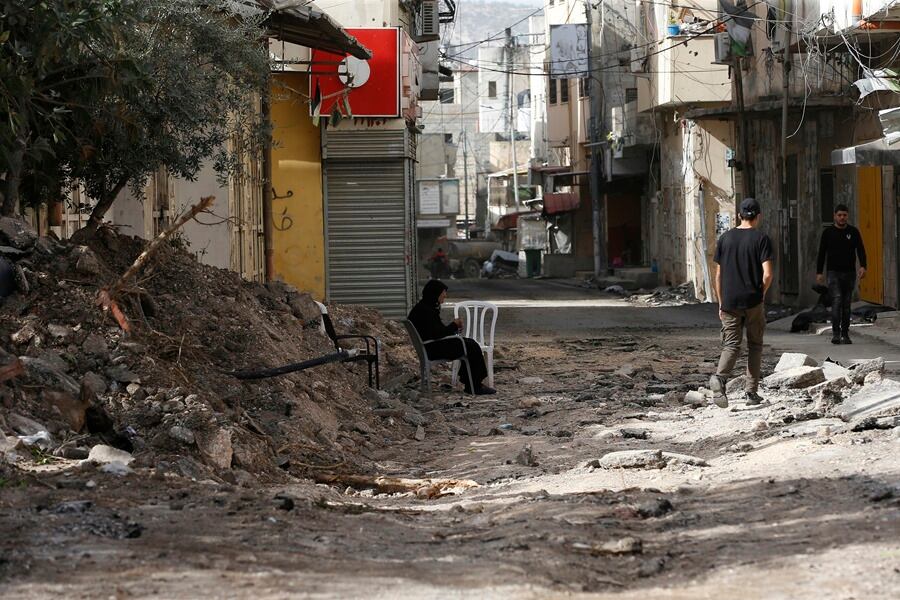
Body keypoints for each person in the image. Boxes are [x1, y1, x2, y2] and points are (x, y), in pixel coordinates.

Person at [709, 198, 775, 408]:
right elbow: (768, 274)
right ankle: (750, 393)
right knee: (755, 345)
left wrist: (721, 302)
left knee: (731, 344)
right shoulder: (761, 239)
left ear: (739, 215)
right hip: (752, 300)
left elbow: (718, 275)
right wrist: (761, 293)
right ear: (758, 217)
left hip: (729, 301)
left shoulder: (725, 238)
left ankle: (720, 378)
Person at [407, 280, 496, 395]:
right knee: (471, 346)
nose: (445, 295)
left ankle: (472, 383)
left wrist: (453, 328)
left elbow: (436, 331)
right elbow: (437, 334)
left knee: (469, 343)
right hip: (434, 349)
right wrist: (454, 325)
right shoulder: (425, 311)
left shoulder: (424, 307)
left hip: (430, 346)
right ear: (435, 293)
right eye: (443, 292)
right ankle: (475, 385)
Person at [815, 204, 867, 345]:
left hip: (849, 273)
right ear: (835, 216)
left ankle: (845, 334)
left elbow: (860, 249)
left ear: (847, 216)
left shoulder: (853, 232)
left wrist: (863, 266)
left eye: (844, 215)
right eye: (839, 215)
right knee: (837, 301)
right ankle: (836, 334)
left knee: (846, 304)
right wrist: (819, 272)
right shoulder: (828, 233)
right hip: (833, 273)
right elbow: (821, 253)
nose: (842, 218)